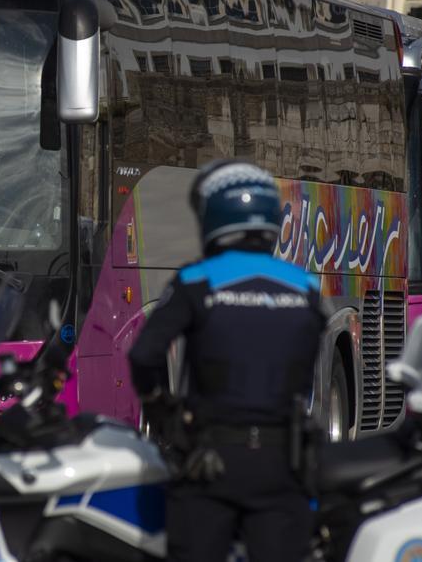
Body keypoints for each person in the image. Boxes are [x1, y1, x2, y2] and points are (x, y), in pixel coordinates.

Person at [128, 160, 325, 562]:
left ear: (214, 215)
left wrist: (162, 408)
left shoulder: (196, 281)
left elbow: (144, 354)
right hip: (281, 463)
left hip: (210, 462)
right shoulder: (306, 288)